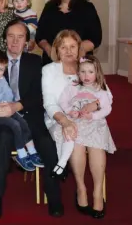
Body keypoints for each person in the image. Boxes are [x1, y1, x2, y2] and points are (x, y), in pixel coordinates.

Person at [0, 19, 64, 218]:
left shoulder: (34, 62)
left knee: (46, 142)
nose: (15, 41)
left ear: (27, 41)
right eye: (11, 36)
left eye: (20, 37)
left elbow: (38, 95)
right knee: (4, 138)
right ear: (5, 39)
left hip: (28, 114)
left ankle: (54, 196)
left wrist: (17, 105)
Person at [42, 30, 113, 219]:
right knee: (76, 141)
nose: (68, 50)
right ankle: (81, 188)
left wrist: (95, 104)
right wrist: (66, 121)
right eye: (63, 47)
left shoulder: (88, 66)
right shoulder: (49, 70)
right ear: (56, 49)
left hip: (90, 118)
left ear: (79, 48)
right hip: (61, 117)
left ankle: (97, 192)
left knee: (97, 141)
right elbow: (49, 103)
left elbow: (107, 95)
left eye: (72, 46)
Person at [0, 49, 44, 172]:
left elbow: (8, 93)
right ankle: (21, 154)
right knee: (15, 125)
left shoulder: (1, 79)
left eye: (1, 70)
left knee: (22, 122)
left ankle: (32, 151)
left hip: (3, 109)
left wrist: (6, 102)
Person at [50, 54, 116, 183]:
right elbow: (62, 101)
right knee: (70, 135)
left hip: (92, 122)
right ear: (78, 73)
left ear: (97, 73)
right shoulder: (73, 86)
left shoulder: (100, 90)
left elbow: (107, 108)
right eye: (83, 72)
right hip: (75, 120)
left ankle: (97, 191)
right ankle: (63, 162)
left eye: (90, 72)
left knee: (94, 137)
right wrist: (70, 111)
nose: (86, 76)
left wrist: (93, 115)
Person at [36, 0, 102, 66]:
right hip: (52, 63)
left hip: (79, 63)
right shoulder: (49, 7)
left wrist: (79, 50)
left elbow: (96, 38)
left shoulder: (87, 8)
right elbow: (40, 35)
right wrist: (50, 51)